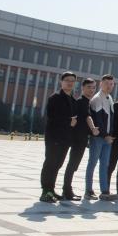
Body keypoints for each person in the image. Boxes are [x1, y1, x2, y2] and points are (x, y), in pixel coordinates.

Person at [38, 73, 76, 202]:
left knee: (58, 165)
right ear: (61, 82)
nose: (70, 83)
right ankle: (45, 191)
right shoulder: (55, 97)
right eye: (67, 80)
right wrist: (69, 121)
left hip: (66, 138)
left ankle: (51, 190)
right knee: (50, 163)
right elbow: (52, 117)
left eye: (72, 81)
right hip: (54, 137)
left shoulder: (72, 99)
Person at [61, 78, 95, 201]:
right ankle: (67, 191)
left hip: (81, 137)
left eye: (93, 88)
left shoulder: (87, 102)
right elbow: (87, 117)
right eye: (89, 87)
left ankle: (67, 190)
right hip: (77, 138)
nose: (91, 90)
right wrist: (93, 128)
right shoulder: (81, 101)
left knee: (73, 165)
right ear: (82, 88)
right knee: (72, 164)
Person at [84, 75, 116, 201]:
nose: (109, 86)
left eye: (111, 84)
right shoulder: (97, 98)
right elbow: (98, 120)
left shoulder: (109, 98)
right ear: (101, 84)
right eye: (107, 83)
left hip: (107, 138)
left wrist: (110, 135)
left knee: (105, 164)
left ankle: (105, 191)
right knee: (92, 163)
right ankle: (88, 190)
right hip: (98, 137)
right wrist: (106, 135)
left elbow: (111, 120)